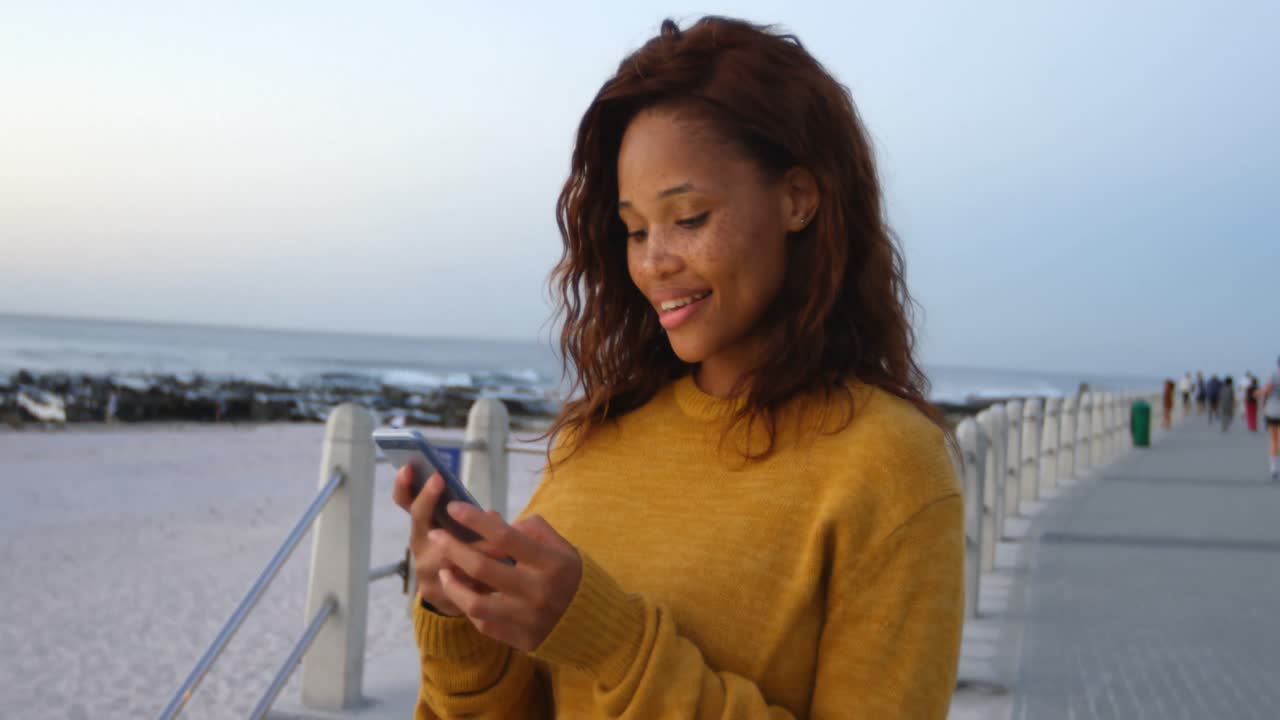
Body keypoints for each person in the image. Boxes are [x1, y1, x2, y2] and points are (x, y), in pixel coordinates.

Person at [391, 17, 963, 719]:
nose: (654, 261)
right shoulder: (595, 437)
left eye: (688, 218)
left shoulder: (889, 464)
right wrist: (461, 619)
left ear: (798, 199)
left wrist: (612, 644)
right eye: (634, 230)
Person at [1262, 359, 1280, 480]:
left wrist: (1256, 393)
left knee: (1274, 441)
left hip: (1273, 411)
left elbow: (1265, 391)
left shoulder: (1274, 375)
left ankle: (1274, 467)